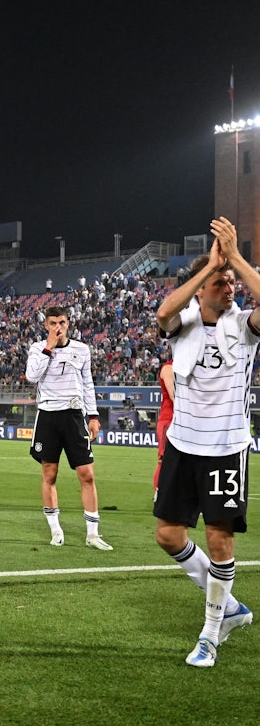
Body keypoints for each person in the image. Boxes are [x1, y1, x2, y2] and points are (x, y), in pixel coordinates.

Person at [154, 217, 257, 668]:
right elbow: (163, 313)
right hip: (183, 444)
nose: (229, 287)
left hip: (226, 448)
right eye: (221, 282)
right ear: (200, 290)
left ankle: (210, 634)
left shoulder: (246, 325)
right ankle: (229, 606)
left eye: (232, 281)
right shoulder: (185, 323)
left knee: (219, 541)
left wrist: (233, 259)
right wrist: (207, 269)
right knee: (168, 535)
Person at [25, 306, 112, 550]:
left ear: (68, 323)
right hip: (48, 415)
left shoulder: (82, 349)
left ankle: (93, 534)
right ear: (46, 325)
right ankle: (55, 530)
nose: (58, 327)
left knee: (87, 474)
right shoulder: (37, 348)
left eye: (61, 322)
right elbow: (32, 376)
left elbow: (88, 383)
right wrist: (49, 347)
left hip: (74, 415)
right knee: (49, 474)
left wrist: (93, 416)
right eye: (53, 323)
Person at [153, 358, 174, 494]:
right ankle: (159, 493)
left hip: (183, 419)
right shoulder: (168, 368)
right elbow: (174, 396)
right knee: (164, 459)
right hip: (169, 419)